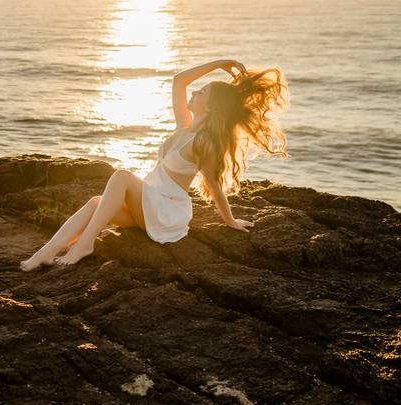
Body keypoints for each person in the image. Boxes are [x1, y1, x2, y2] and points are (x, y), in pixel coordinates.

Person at [20, 59, 289, 271]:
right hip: (148, 205)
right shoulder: (183, 125)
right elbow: (179, 81)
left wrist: (229, 220)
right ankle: (46, 253)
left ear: (211, 106)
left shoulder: (203, 142)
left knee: (123, 176)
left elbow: (213, 184)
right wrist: (218, 64)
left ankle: (85, 244)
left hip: (166, 211)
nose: (194, 92)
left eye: (202, 91)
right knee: (94, 202)